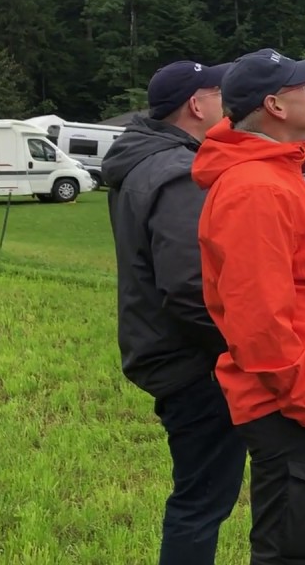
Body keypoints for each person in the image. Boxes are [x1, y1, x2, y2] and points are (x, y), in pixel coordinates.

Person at [191, 48, 305, 564]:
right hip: (292, 405)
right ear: (274, 105)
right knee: (292, 556)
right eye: (303, 85)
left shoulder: (272, 175)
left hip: (299, 401)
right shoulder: (254, 188)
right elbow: (257, 323)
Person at [100, 59, 246, 565]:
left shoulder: (141, 161)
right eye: (219, 93)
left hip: (161, 351)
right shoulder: (180, 171)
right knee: (202, 502)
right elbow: (189, 287)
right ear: (197, 105)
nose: (227, 104)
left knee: (197, 496)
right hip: (193, 363)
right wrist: (239, 351)